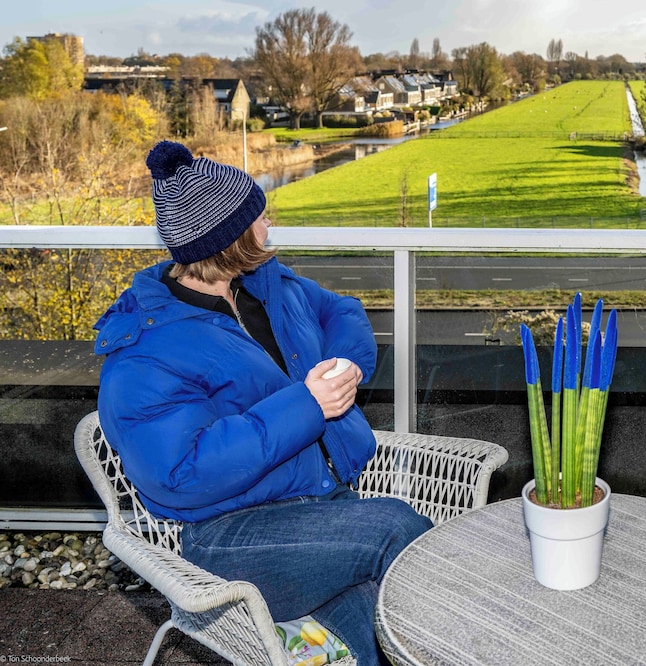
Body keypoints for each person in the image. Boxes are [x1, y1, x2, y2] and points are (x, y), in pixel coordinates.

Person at [94, 140, 432, 666]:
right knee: (398, 527)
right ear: (228, 237)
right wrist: (308, 405)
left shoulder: (266, 285)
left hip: (321, 503)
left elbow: (341, 311)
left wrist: (346, 365)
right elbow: (181, 471)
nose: (268, 221)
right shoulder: (145, 350)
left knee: (380, 628)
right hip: (232, 534)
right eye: (258, 215)